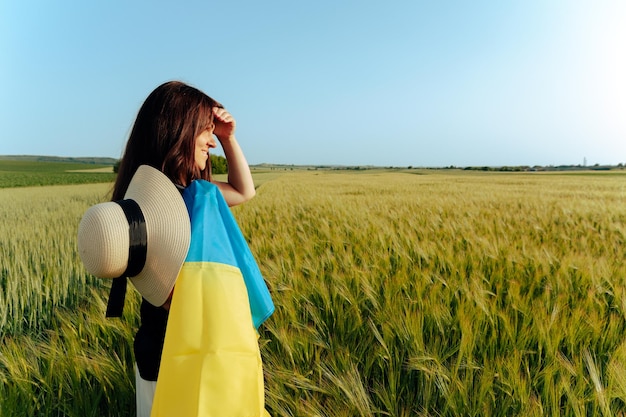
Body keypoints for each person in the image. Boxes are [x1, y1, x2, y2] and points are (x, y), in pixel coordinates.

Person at [109, 81, 262, 416]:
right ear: (177, 129)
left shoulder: (195, 193)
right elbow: (170, 296)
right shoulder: (153, 205)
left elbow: (243, 190)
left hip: (195, 352)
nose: (212, 142)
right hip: (168, 359)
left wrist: (228, 137)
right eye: (205, 132)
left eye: (213, 134)